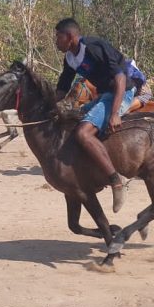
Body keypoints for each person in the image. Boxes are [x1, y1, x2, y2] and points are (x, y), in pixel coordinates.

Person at [54, 18, 135, 213]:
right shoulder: (70, 59)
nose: (56, 41)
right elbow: (63, 87)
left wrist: (115, 113)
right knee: (70, 120)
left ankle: (116, 181)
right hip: (103, 96)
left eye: (58, 37)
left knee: (83, 133)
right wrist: (50, 107)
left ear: (70, 36)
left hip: (121, 93)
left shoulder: (94, 47)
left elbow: (120, 77)